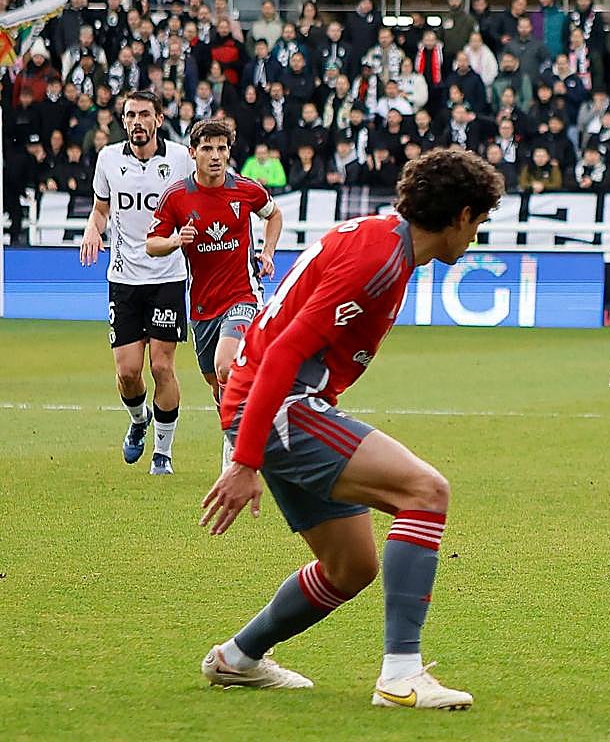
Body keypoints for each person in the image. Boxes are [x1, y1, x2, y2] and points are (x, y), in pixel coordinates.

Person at [198, 148, 505, 707]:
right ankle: (401, 676)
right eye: (479, 221)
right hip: (281, 405)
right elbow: (285, 351)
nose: (476, 234)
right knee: (426, 491)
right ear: (460, 215)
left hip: (277, 406)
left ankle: (237, 658)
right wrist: (243, 459)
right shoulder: (378, 258)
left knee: (351, 566)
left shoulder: (384, 241)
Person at [146, 119, 283, 468]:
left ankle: (233, 459)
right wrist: (176, 240)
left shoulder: (246, 190)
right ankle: (236, 421)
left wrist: (267, 253)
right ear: (193, 154)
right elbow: (152, 244)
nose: (216, 156)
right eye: (207, 148)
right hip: (203, 306)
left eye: (222, 148)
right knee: (216, 382)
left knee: (226, 366)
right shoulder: (176, 196)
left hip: (243, 295)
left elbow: (274, 214)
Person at [79, 90, 195, 475]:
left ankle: (163, 453)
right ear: (123, 120)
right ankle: (139, 419)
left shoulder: (179, 158)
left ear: (158, 119)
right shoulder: (108, 159)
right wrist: (91, 231)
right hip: (124, 278)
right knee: (129, 372)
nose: (136, 122)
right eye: (130, 115)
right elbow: (100, 210)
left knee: (162, 367)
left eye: (144, 114)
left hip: (168, 275)